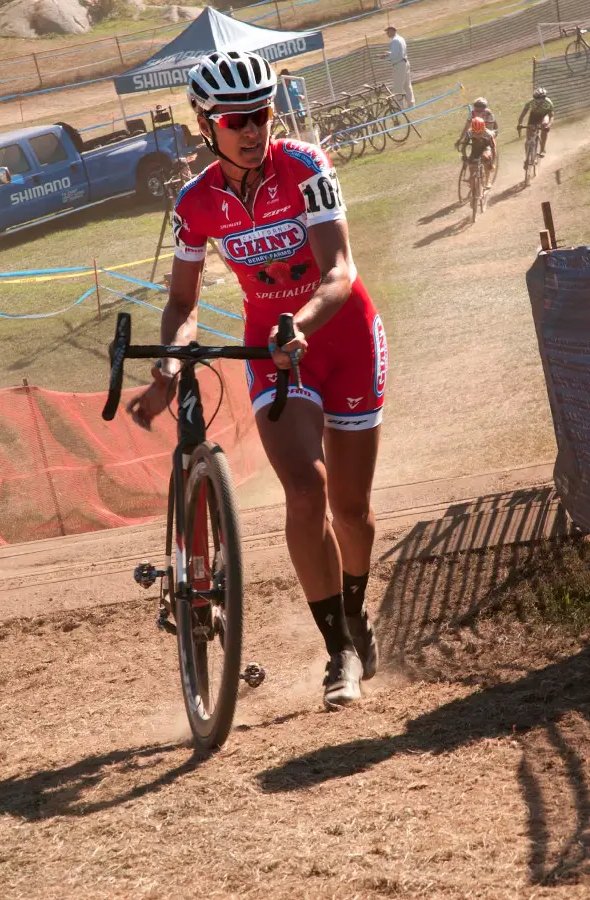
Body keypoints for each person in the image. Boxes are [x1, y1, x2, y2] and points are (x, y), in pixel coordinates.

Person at [127, 50, 387, 711]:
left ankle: (357, 612)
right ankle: (340, 651)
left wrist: (298, 322)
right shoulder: (195, 204)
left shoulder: (306, 168)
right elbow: (183, 305)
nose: (252, 128)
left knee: (352, 514)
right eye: (236, 118)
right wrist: (169, 364)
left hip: (342, 336)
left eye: (261, 114)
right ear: (205, 124)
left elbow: (339, 273)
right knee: (307, 490)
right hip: (271, 352)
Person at [458, 115, 497, 190]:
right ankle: (472, 176)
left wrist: (492, 162)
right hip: (475, 148)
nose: (478, 135)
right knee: (471, 163)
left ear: (483, 128)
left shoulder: (488, 134)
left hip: (486, 147)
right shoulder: (469, 133)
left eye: (480, 133)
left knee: (485, 157)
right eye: (475, 133)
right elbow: (463, 148)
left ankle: (487, 180)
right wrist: (465, 156)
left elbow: (493, 149)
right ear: (472, 129)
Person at [381, 25, 414, 108]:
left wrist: (386, 57)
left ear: (393, 31)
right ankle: (411, 103)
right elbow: (398, 52)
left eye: (388, 32)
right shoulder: (401, 38)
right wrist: (390, 53)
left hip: (399, 65)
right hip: (405, 62)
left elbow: (394, 55)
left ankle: (399, 106)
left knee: (398, 87)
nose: (387, 34)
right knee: (407, 85)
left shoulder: (394, 41)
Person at [517, 87, 554, 159]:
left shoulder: (548, 103)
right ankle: (527, 158)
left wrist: (548, 125)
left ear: (544, 97)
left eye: (541, 98)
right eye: (536, 98)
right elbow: (522, 115)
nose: (538, 101)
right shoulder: (530, 102)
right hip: (533, 117)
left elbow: (551, 116)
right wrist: (519, 124)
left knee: (544, 125)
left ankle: (542, 148)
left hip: (544, 115)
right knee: (528, 140)